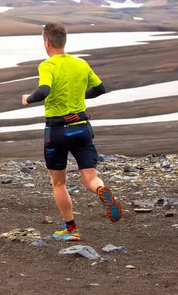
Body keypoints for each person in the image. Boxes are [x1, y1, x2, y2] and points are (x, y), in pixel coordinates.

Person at [22, 22, 122, 241]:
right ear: (64, 41)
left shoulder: (47, 65)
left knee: (59, 183)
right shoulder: (81, 63)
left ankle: (71, 229)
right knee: (90, 178)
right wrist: (77, 96)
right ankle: (100, 190)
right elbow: (100, 89)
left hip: (57, 130)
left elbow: (44, 90)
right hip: (82, 127)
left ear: (46, 42)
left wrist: (28, 99)